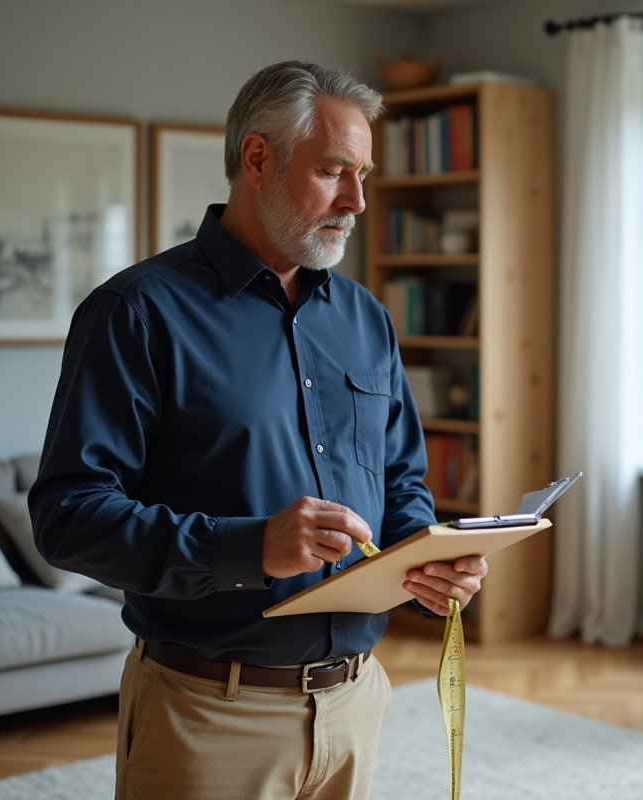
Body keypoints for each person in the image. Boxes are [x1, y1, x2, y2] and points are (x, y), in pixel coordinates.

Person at [28, 61, 488, 800]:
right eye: (336, 171)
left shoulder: (366, 319)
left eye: (363, 175)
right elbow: (67, 518)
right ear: (257, 158)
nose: (358, 201)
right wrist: (247, 547)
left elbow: (400, 481)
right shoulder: (135, 313)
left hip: (358, 703)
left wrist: (428, 561)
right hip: (209, 716)